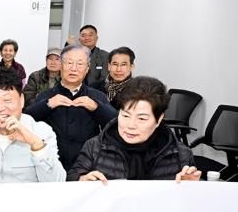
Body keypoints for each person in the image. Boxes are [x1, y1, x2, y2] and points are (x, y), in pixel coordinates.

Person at [68, 76, 201, 182]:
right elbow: (72, 178)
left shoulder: (181, 155)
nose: (130, 125)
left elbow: (188, 203)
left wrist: (190, 188)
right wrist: (81, 180)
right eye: (125, 115)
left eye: (141, 118)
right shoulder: (94, 147)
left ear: (159, 119)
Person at [25, 45, 116, 171]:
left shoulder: (97, 96)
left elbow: (115, 124)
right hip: (52, 163)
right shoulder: (46, 96)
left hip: (87, 165)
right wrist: (47, 105)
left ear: (87, 68)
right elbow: (27, 120)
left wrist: (96, 107)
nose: (74, 68)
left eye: (80, 64)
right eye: (69, 63)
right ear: (61, 66)